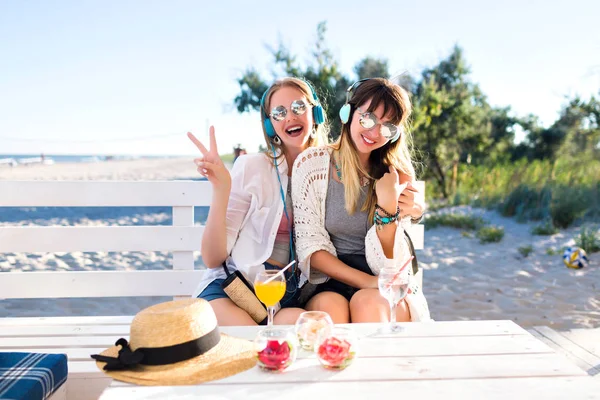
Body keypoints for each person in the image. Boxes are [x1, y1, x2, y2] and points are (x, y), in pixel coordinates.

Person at [189, 77, 329, 326]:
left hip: (287, 297)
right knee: (250, 342)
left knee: (301, 334)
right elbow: (212, 259)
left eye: (298, 107)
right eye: (278, 112)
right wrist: (221, 189)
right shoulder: (252, 167)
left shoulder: (332, 170)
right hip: (234, 288)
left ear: (315, 111)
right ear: (269, 123)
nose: (290, 117)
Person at [292, 77, 430, 323]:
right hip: (330, 280)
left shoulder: (397, 174)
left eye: (388, 127)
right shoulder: (311, 165)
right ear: (348, 112)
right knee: (329, 313)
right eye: (368, 118)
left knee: (367, 304)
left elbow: (392, 260)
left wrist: (388, 204)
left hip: (386, 280)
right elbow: (311, 249)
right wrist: (367, 282)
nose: (375, 132)